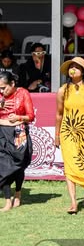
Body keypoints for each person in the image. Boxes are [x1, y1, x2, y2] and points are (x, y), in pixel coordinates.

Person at [55, 57, 84, 214]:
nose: (73, 69)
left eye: (77, 67)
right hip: (68, 131)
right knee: (70, 165)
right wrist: (57, 135)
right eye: (71, 67)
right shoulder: (63, 90)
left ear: (83, 72)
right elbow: (59, 114)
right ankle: (73, 202)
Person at [0, 72, 33, 212]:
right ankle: (7, 200)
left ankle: (18, 193)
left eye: (4, 88)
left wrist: (19, 117)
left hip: (18, 133)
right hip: (2, 132)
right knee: (3, 166)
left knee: (18, 166)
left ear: (12, 83)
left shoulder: (23, 93)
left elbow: (31, 116)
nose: (2, 91)